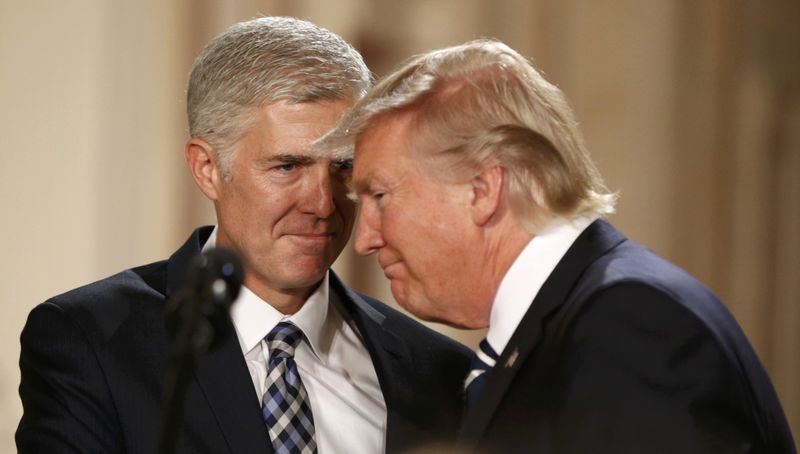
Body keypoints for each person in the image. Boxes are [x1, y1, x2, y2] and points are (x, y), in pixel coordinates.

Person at [317, 39, 797, 453]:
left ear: (483, 190)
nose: (364, 239)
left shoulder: (628, 327)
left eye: (380, 196)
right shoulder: (576, 323)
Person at [16, 17, 471, 454]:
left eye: (343, 166)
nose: (323, 204)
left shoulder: (440, 372)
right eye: (287, 166)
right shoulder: (92, 342)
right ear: (207, 168)